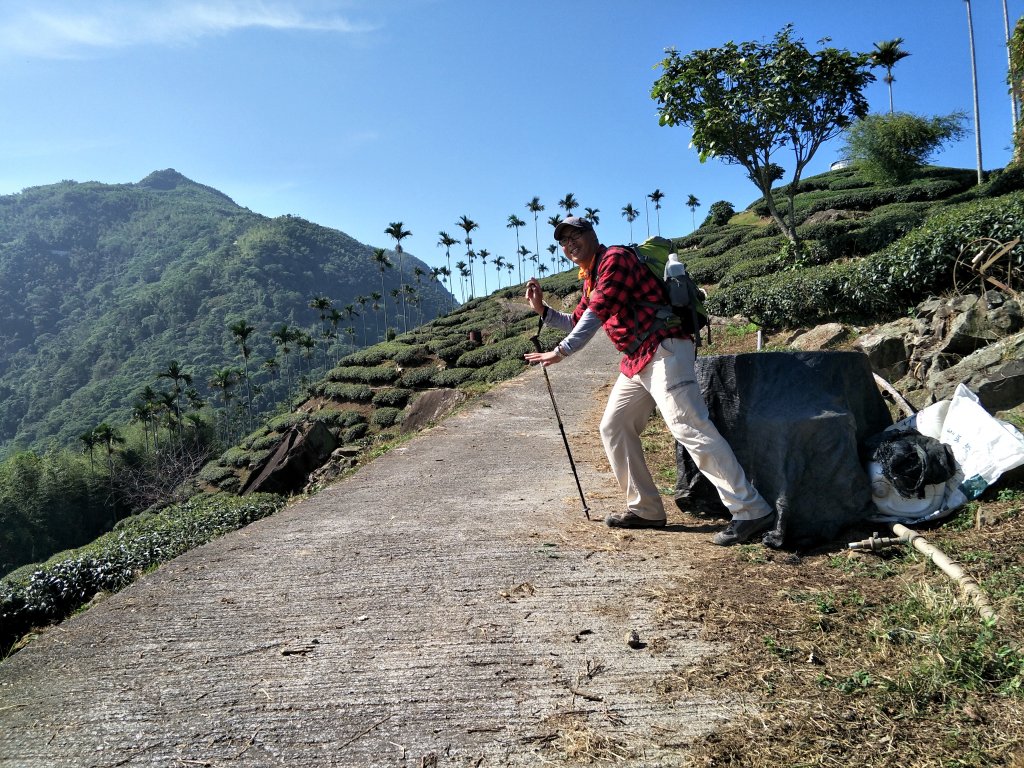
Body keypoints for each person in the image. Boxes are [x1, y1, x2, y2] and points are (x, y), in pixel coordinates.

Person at [523, 216, 775, 545]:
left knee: (690, 426)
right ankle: (646, 509)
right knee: (614, 426)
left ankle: (750, 509)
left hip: (664, 349)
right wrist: (542, 309)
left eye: (576, 236)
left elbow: (596, 313)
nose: (570, 244)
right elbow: (575, 319)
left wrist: (561, 352)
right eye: (564, 241)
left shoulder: (614, 260)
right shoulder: (592, 276)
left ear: (592, 234)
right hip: (638, 358)